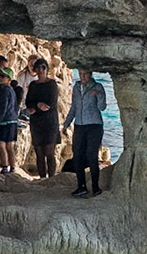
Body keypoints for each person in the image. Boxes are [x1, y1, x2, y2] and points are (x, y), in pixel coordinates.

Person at [64, 68, 108, 196]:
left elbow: (102, 107)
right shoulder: (76, 87)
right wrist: (66, 123)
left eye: (85, 74)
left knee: (91, 155)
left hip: (94, 125)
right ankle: (81, 186)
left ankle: (95, 187)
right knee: (77, 156)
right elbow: (74, 107)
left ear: (91, 74)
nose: (82, 77)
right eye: (81, 74)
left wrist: (99, 95)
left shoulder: (98, 86)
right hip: (79, 125)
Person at [24, 57, 61, 177]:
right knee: (39, 151)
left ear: (47, 69)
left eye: (43, 67)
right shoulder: (33, 85)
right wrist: (38, 105)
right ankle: (42, 178)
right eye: (38, 67)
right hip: (36, 121)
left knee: (49, 151)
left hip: (50, 121)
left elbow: (51, 103)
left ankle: (51, 178)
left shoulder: (52, 84)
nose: (41, 70)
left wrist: (37, 106)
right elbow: (28, 101)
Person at [0, 68, 22, 173]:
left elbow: (3, 108)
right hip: (13, 120)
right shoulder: (12, 90)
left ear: (9, 79)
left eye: (3, 76)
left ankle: (5, 166)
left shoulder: (5, 91)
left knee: (1, 144)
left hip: (5, 121)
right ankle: (13, 167)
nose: (0, 78)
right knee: (9, 145)